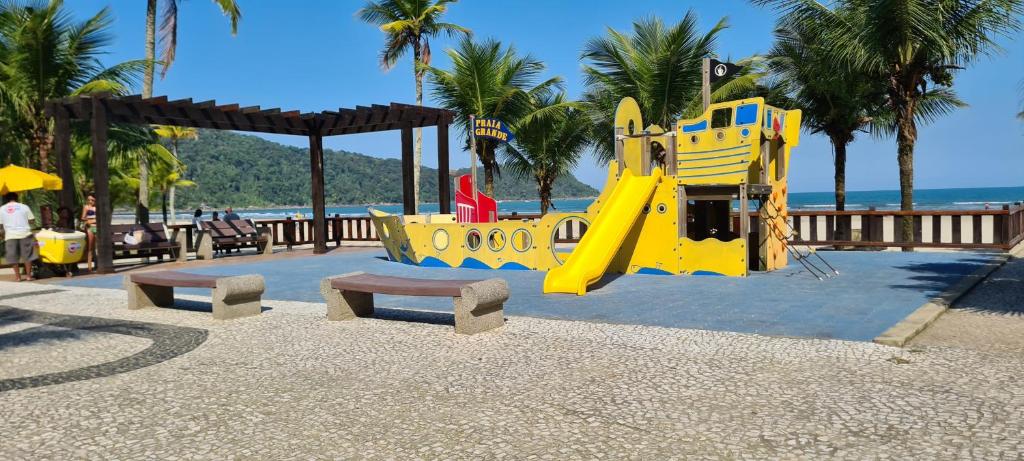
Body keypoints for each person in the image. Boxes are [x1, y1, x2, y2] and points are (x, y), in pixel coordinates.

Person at [1, 192, 38, 281]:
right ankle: (29, 276)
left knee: (13, 256)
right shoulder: (24, 207)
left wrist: (2, 234)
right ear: (16, 198)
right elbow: (32, 220)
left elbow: (0, 225)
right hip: (25, 233)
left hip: (10, 235)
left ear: (6, 199)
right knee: (27, 256)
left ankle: (18, 277)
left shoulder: (1, 209)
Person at [80, 195, 97, 272]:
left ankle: (97, 265)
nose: (90, 202)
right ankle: (89, 267)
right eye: (89, 200)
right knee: (90, 247)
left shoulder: (97, 207)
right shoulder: (86, 207)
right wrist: (91, 219)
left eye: (92, 200)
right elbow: (83, 217)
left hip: (97, 227)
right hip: (90, 227)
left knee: (96, 247)